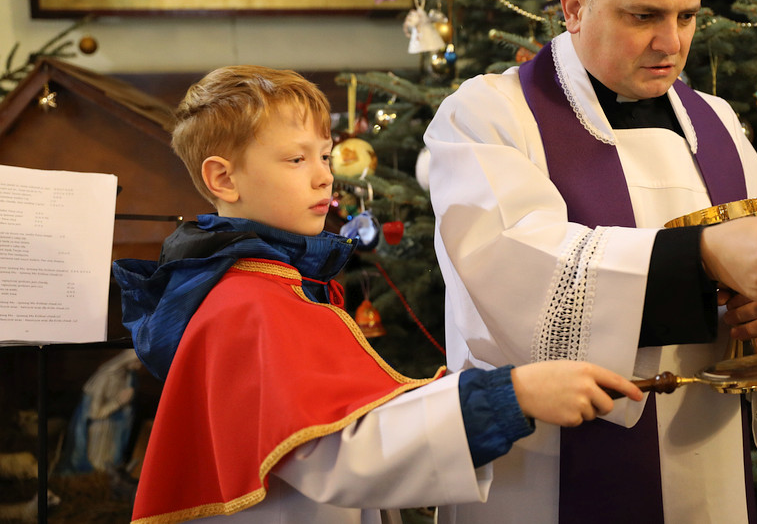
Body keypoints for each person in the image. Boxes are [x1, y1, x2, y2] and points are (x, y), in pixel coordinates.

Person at [424, 0, 757, 524]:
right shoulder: (488, 116)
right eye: (643, 16)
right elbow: (512, 272)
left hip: (707, 465)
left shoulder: (718, 122)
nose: (671, 43)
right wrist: (702, 254)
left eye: (686, 16)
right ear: (574, 8)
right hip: (547, 476)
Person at [111, 65, 642, 524]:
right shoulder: (249, 303)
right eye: (296, 160)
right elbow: (341, 455)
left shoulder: (265, 285)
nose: (324, 178)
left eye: (325, 156)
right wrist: (510, 397)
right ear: (224, 179)